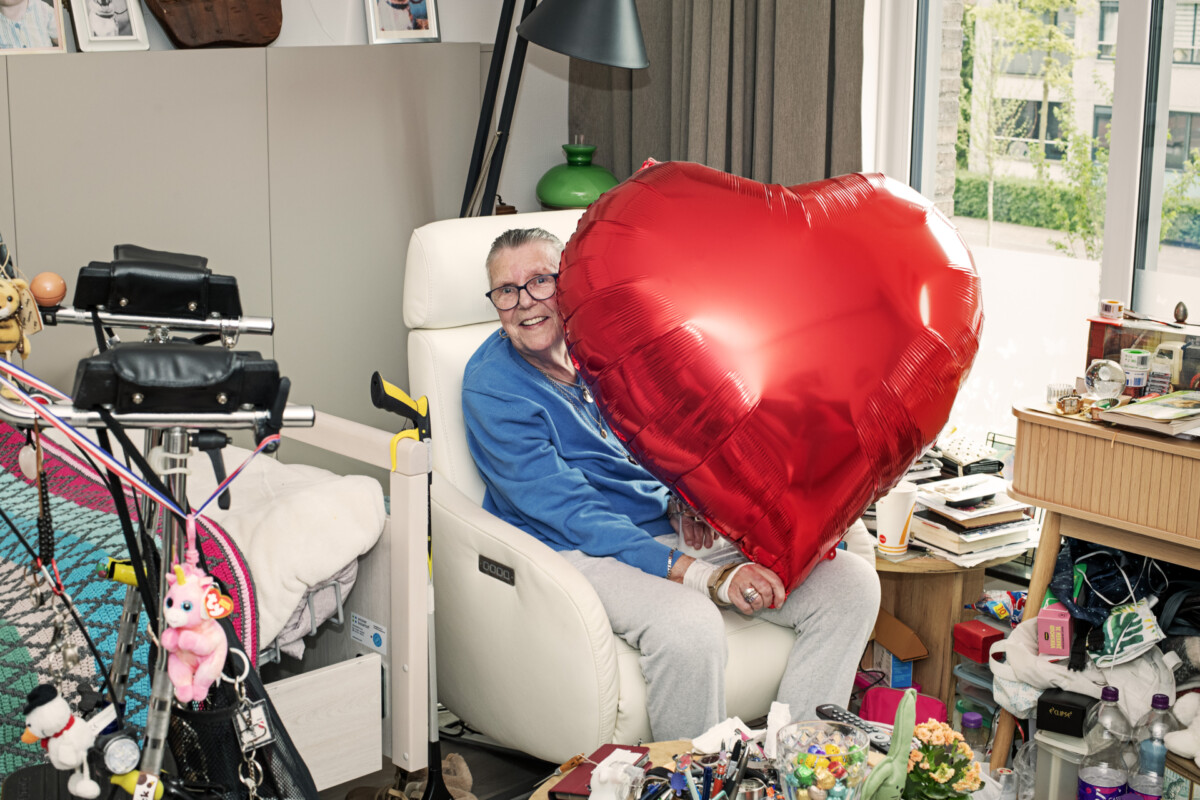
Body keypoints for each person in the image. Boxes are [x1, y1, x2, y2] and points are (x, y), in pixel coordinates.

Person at [462, 228, 882, 741]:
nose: (525, 302)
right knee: (689, 626)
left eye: (540, 281)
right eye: (506, 290)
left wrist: (687, 499)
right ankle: (696, 777)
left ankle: (798, 759)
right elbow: (573, 513)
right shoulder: (492, 387)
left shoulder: (608, 342)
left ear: (566, 283)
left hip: (662, 528)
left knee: (849, 586)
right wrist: (704, 577)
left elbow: (679, 435)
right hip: (576, 548)